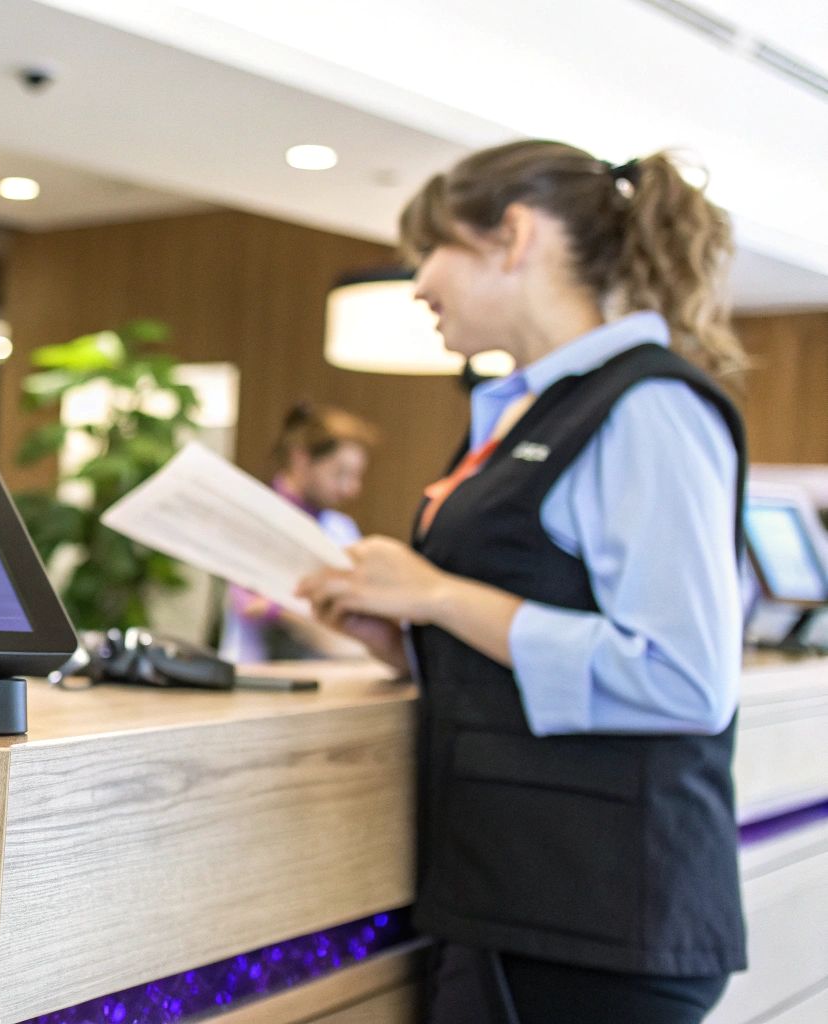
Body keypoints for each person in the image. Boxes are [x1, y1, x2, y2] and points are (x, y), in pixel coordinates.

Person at [297, 140, 747, 1024]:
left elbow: (685, 677)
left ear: (513, 235)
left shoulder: (648, 407)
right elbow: (535, 632)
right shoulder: (532, 410)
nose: (419, 283)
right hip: (520, 903)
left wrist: (433, 594)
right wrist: (409, 638)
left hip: (596, 921)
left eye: (434, 250)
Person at [221, 402, 377, 662]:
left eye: (356, 477)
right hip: (258, 671)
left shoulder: (341, 529)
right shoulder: (256, 519)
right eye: (340, 474)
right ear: (301, 460)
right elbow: (252, 605)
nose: (352, 489)